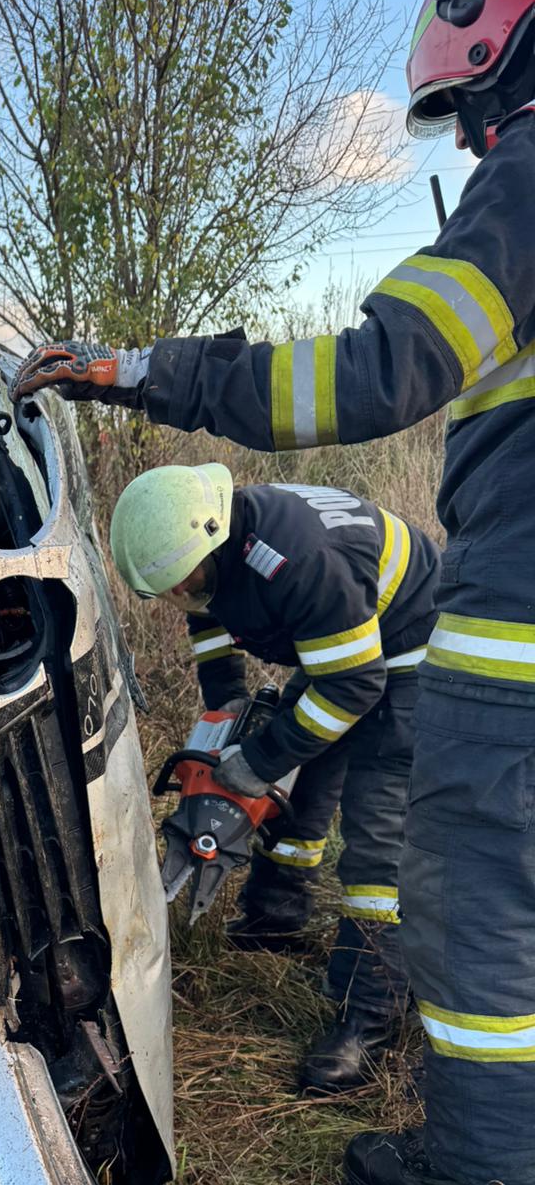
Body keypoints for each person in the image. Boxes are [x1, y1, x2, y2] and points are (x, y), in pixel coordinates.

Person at [11, 0, 535, 1185]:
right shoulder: (216, 573)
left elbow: (371, 376)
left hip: (449, 632)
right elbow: (225, 674)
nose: (471, 144)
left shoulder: (290, 553)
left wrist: (149, 374)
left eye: (470, 115)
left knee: (441, 861)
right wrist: (222, 748)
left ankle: (477, 1169)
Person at [111, 461, 438, 1094]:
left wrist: (259, 761)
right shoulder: (208, 552)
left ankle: (369, 1020)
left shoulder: (296, 560)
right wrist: (227, 701)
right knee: (304, 791)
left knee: (375, 844)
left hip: (407, 655)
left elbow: (355, 685)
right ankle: (275, 915)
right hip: (340, 648)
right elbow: (209, 617)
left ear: (214, 538)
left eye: (184, 583)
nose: (181, 596)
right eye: (169, 590)